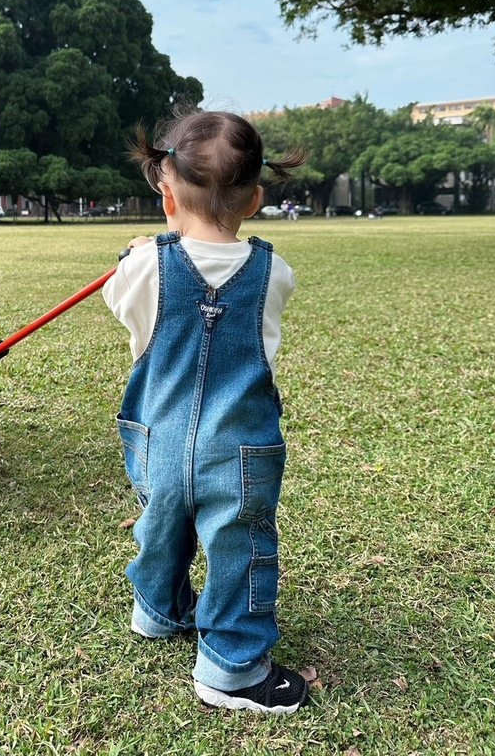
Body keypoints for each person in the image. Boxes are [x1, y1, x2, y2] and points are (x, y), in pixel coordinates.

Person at [102, 108, 309, 714]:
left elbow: (123, 301)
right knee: (239, 546)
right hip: (240, 447)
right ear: (255, 199)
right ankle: (232, 667)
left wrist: (137, 252)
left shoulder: (143, 267)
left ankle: (158, 610)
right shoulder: (275, 273)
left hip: (156, 435)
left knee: (160, 523)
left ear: (167, 196)